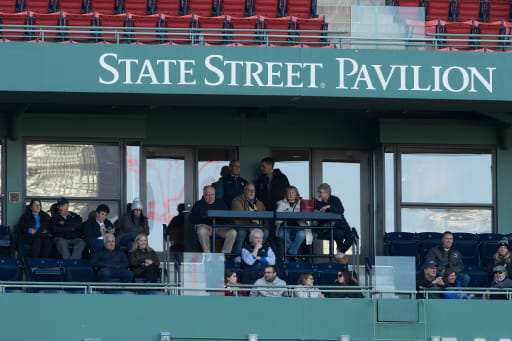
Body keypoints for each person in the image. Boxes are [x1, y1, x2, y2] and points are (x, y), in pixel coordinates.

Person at [190, 186, 236, 253]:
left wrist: (221, 217)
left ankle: (224, 255)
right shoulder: (198, 204)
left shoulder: (220, 203)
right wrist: (205, 216)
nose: (210, 197)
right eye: (208, 195)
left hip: (219, 227)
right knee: (201, 231)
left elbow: (228, 217)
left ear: (215, 194)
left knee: (233, 232)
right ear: (204, 195)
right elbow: (192, 219)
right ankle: (207, 255)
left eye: (212, 194)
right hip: (205, 227)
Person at [314, 183, 353, 259]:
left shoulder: (335, 199)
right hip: (327, 228)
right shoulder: (317, 202)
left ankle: (340, 252)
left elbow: (341, 211)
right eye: (318, 192)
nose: (318, 194)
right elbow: (318, 215)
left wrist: (329, 207)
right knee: (339, 234)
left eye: (320, 192)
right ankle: (340, 258)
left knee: (350, 238)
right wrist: (319, 203)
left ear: (327, 193)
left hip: (341, 224)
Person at [231, 183, 269, 256]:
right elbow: (238, 218)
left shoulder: (259, 203)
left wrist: (263, 226)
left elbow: (265, 218)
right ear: (244, 191)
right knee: (241, 233)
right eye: (249, 190)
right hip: (243, 227)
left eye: (253, 190)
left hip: (258, 226)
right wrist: (249, 226)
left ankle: (257, 253)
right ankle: (237, 256)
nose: (252, 192)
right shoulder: (237, 201)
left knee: (266, 232)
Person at [276, 186, 309, 259]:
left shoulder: (301, 203)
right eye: (289, 193)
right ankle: (293, 253)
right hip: (284, 226)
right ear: (286, 194)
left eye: (293, 193)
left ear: (296, 194)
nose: (291, 194)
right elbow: (278, 215)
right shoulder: (281, 203)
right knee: (282, 234)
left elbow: (306, 215)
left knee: (302, 234)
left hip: (297, 226)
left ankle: (291, 252)